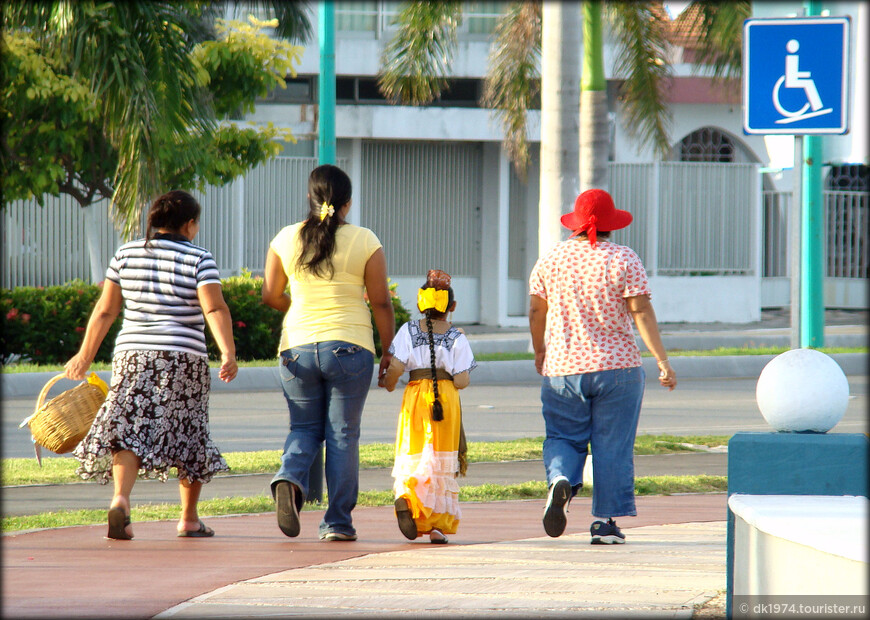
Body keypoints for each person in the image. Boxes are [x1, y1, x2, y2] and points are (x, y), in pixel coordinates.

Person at [66, 189, 238, 540]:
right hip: (182, 357)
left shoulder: (126, 253)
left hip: (132, 354)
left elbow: (106, 310)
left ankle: (121, 500)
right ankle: (189, 518)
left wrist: (84, 356)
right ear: (189, 224)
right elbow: (215, 308)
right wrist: (228, 353)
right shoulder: (199, 257)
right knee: (189, 431)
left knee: (126, 429)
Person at [528, 188, 677, 545]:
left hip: (563, 368)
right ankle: (605, 523)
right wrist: (662, 360)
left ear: (575, 224)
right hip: (618, 369)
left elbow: (536, 310)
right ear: (612, 224)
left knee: (563, 436)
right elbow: (640, 311)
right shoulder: (624, 258)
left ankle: (561, 479)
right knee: (612, 445)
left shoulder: (551, 259)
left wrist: (540, 350)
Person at [262, 164, 395, 542]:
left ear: (310, 197)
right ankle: (336, 522)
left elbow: (270, 295)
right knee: (342, 433)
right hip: (350, 347)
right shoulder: (365, 240)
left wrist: (299, 309)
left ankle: (289, 477)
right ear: (347, 203)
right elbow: (381, 302)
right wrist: (388, 351)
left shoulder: (286, 238)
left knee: (304, 427)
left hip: (296, 347)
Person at [382, 269, 476, 544]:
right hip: (445, 402)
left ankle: (406, 498)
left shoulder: (408, 330)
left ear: (421, 304)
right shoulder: (457, 336)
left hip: (415, 398)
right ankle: (435, 527)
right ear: (452, 307)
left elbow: (396, 368)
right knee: (440, 460)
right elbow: (462, 379)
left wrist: (388, 383)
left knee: (414, 451)